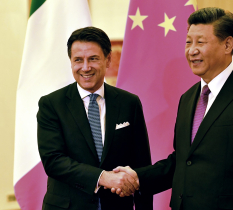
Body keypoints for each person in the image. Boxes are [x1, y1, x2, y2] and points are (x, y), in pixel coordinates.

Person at [111, 7, 233, 210]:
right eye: (188, 42)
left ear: (227, 44)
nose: (192, 50)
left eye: (201, 42)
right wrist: (136, 177)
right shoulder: (188, 98)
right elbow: (182, 161)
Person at [37, 26, 153, 210]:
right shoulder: (51, 104)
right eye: (78, 60)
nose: (85, 67)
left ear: (108, 60)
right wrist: (102, 177)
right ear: (70, 62)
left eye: (93, 59)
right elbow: (53, 161)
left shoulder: (129, 102)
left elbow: (142, 165)